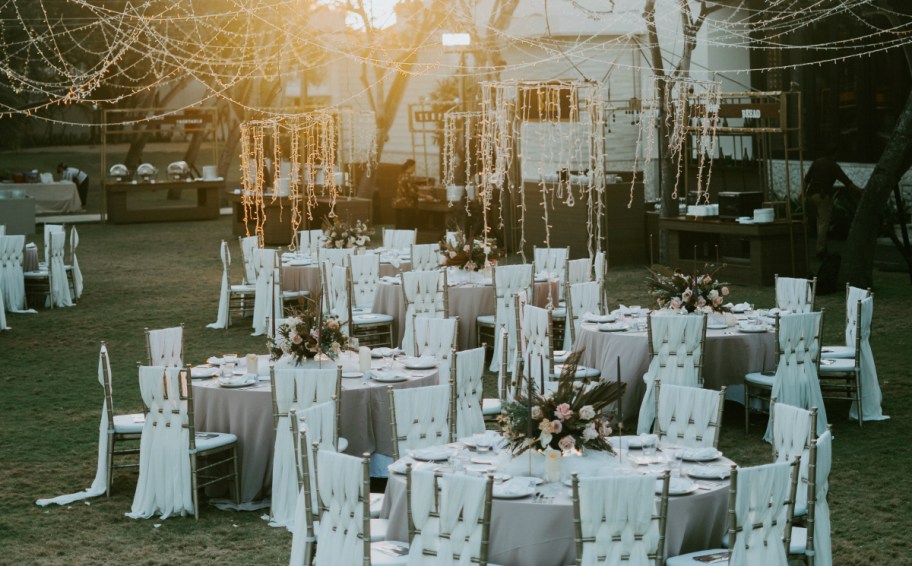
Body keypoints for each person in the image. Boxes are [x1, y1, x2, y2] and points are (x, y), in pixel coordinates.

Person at [803, 146, 861, 258]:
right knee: (823, 224)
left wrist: (802, 194)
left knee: (818, 222)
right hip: (822, 196)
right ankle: (820, 250)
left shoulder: (817, 162)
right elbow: (847, 183)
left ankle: (822, 247)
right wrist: (860, 191)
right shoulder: (834, 166)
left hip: (811, 195)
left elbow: (807, 179)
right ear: (835, 154)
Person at [394, 159, 419, 228]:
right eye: (414, 167)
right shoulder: (408, 178)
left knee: (399, 226)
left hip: (398, 204)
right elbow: (412, 193)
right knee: (407, 228)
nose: (414, 169)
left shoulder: (401, 176)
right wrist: (426, 196)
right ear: (410, 167)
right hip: (407, 205)